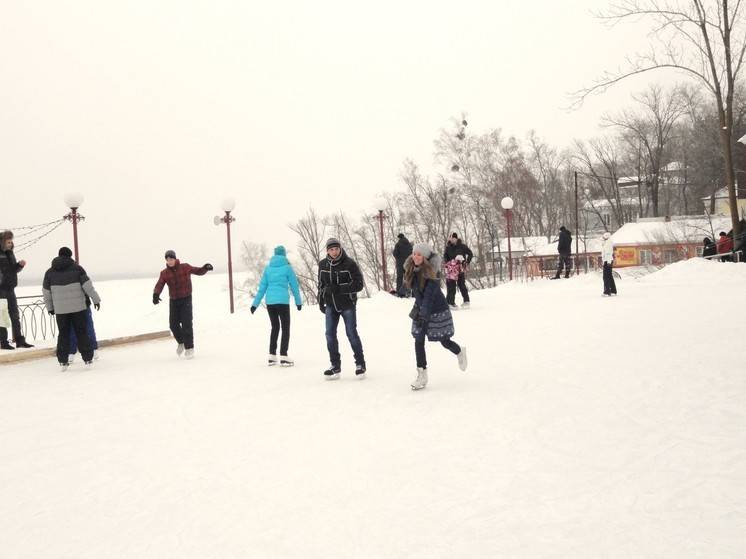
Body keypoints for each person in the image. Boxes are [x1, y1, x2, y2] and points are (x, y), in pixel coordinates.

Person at [405, 243, 467, 390]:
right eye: (414, 254)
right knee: (418, 340)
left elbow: (429, 296)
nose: (416, 257)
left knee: (444, 341)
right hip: (422, 309)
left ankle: (459, 351)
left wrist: (424, 314)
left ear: (425, 257)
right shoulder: (412, 270)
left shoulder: (432, 273)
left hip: (437, 310)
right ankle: (422, 375)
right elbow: (415, 292)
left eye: (419, 254)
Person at [42, 247, 100, 370]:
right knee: (81, 332)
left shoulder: (49, 273)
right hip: (78, 308)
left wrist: (50, 308)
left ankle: (63, 362)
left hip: (61, 310)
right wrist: (96, 300)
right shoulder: (77, 269)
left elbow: (46, 292)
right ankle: (88, 359)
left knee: (63, 334)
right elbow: (88, 287)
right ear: (70, 256)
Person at [318, 238, 366, 380]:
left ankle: (360, 364)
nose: (334, 252)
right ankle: (335, 366)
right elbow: (320, 284)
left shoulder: (349, 264)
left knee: (351, 333)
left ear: (340, 249)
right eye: (331, 249)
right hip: (330, 305)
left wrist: (339, 288)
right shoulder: (322, 264)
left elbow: (358, 284)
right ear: (327, 250)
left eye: (336, 249)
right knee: (329, 334)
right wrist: (320, 300)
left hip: (347, 304)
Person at [153, 250, 213, 359]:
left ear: (175, 259)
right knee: (173, 325)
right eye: (167, 259)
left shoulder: (185, 267)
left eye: (171, 259)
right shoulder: (164, 273)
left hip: (186, 299)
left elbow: (197, 271)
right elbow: (160, 284)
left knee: (186, 324)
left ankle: (189, 348)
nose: (169, 261)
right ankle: (181, 342)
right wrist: (156, 294)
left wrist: (205, 268)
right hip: (174, 301)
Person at [250, 245, 303, 367]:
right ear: (284, 255)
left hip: (270, 303)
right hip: (283, 302)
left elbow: (262, 288)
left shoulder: (268, 269)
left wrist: (255, 304)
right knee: (285, 328)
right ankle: (283, 355)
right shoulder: (287, 268)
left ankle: (272, 356)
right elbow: (294, 286)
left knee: (275, 327)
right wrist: (298, 302)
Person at [0, 230, 33, 350]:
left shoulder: (10, 253)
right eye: (8, 242)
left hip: (10, 288)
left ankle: (19, 340)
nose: (10, 244)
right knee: (2, 316)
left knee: (15, 315)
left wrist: (19, 265)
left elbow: (12, 270)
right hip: (1, 289)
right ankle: (3, 342)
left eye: (11, 242)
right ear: (2, 242)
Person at [443, 232, 473, 309]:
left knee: (461, 284)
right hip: (451, 270)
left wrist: (466, 262)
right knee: (451, 286)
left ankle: (466, 301)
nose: (452, 240)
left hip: (460, 268)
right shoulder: (448, 247)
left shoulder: (462, 246)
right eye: (450, 238)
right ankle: (450, 303)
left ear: (456, 238)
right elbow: (445, 257)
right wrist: (448, 263)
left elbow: (470, 253)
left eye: (453, 238)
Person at [601, 232, 617, 296]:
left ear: (606, 237)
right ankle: (613, 291)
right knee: (609, 276)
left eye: (604, 237)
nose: (603, 238)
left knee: (606, 277)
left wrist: (608, 262)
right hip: (608, 261)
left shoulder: (608, 243)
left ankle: (607, 292)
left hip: (607, 261)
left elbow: (608, 253)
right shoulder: (608, 242)